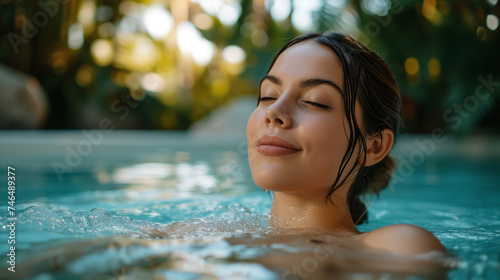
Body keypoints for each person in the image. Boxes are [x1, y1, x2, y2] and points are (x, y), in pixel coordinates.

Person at [246, 32, 446, 255]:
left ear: (374, 146)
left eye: (315, 102)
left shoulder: (398, 250)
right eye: (268, 96)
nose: (273, 111)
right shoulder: (208, 236)